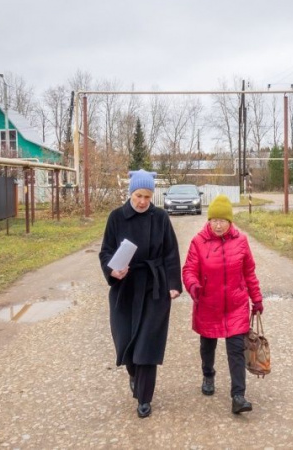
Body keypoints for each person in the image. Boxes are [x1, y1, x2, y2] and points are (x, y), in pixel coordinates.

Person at [99, 169, 182, 418]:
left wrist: (173, 283)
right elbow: (105, 252)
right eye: (138, 195)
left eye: (147, 196)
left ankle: (145, 398)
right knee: (126, 342)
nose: (143, 201)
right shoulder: (116, 218)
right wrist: (113, 271)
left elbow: (171, 253)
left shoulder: (161, 218)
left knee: (148, 344)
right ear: (130, 193)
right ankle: (134, 375)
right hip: (125, 288)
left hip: (154, 287)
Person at [182, 194, 264, 414]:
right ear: (208, 221)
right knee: (207, 346)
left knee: (236, 350)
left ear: (230, 221)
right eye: (214, 220)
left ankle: (238, 395)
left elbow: (249, 273)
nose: (218, 225)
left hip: (236, 305)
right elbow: (188, 270)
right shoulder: (198, 242)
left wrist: (256, 299)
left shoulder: (241, 241)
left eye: (222, 221)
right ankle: (208, 375)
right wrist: (193, 286)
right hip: (208, 303)